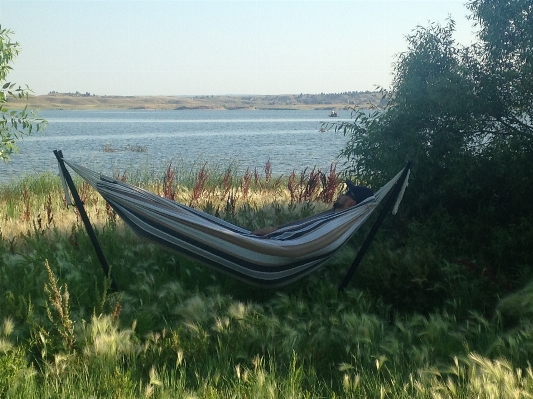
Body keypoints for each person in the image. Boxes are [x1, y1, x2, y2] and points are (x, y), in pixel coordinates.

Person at [252, 179, 373, 236]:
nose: (341, 194)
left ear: (351, 202)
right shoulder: (333, 219)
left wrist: (272, 232)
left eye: (346, 193)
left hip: (275, 240)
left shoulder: (329, 224)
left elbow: (297, 235)